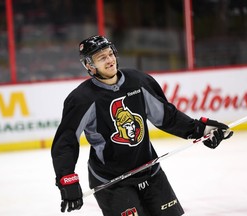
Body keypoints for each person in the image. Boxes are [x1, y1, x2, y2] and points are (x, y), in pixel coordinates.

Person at [51, 35, 233, 216]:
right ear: (89, 65)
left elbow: (167, 117)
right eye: (102, 58)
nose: (110, 60)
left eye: (110, 54)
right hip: (112, 182)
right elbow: (66, 142)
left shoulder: (138, 81)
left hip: (150, 171)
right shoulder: (82, 99)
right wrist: (67, 179)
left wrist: (200, 130)